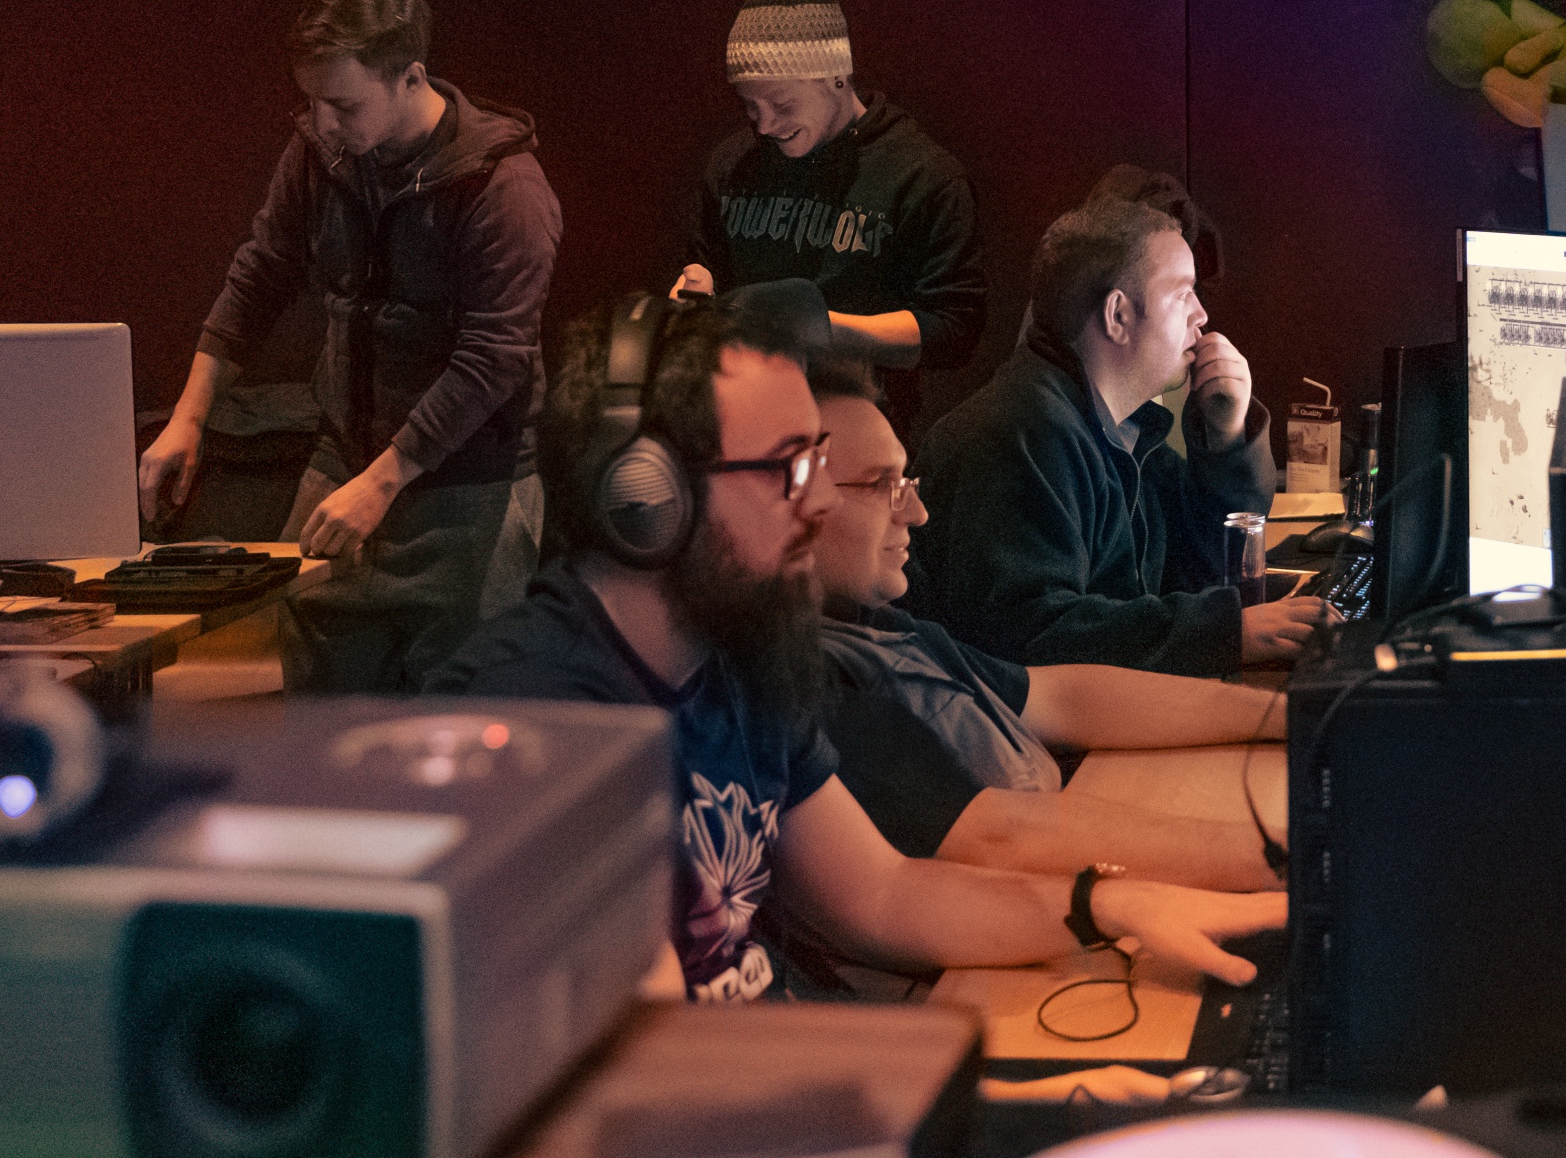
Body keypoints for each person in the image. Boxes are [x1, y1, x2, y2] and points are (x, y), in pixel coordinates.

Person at [426, 295, 1282, 1000]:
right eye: (788, 469)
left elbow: (881, 894)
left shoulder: (738, 654)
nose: (823, 504)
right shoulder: (530, 725)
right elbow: (627, 1070)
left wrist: (1110, 905)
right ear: (646, 500)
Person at [138, 0, 560, 691]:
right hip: (344, 468)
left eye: (343, 104)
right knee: (320, 713)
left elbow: (493, 359)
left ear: (411, 78)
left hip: (470, 488)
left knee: (462, 721)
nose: (322, 122)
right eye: (311, 101)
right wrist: (189, 417)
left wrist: (383, 482)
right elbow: (260, 276)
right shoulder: (320, 154)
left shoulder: (505, 188)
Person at [803, 333, 1284, 888]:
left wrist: (1287, 715)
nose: (917, 512)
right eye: (879, 485)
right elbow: (999, 834)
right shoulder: (821, 676)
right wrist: (1294, 858)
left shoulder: (887, 628)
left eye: (904, 480)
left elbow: (1063, 695)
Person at [907, 193, 1327, 674]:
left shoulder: (1124, 429)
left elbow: (1199, 571)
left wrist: (1227, 437)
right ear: (1118, 316)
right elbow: (1035, 637)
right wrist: (1226, 633)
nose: (1201, 315)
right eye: (1182, 294)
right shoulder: (1020, 436)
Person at [673, 0, 984, 425]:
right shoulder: (733, 164)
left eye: (782, 103)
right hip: (742, 425)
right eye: (749, 105)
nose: (764, 124)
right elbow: (703, 268)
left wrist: (819, 328)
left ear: (837, 78)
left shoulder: (922, 176)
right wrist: (694, 292)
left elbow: (954, 330)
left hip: (860, 435)